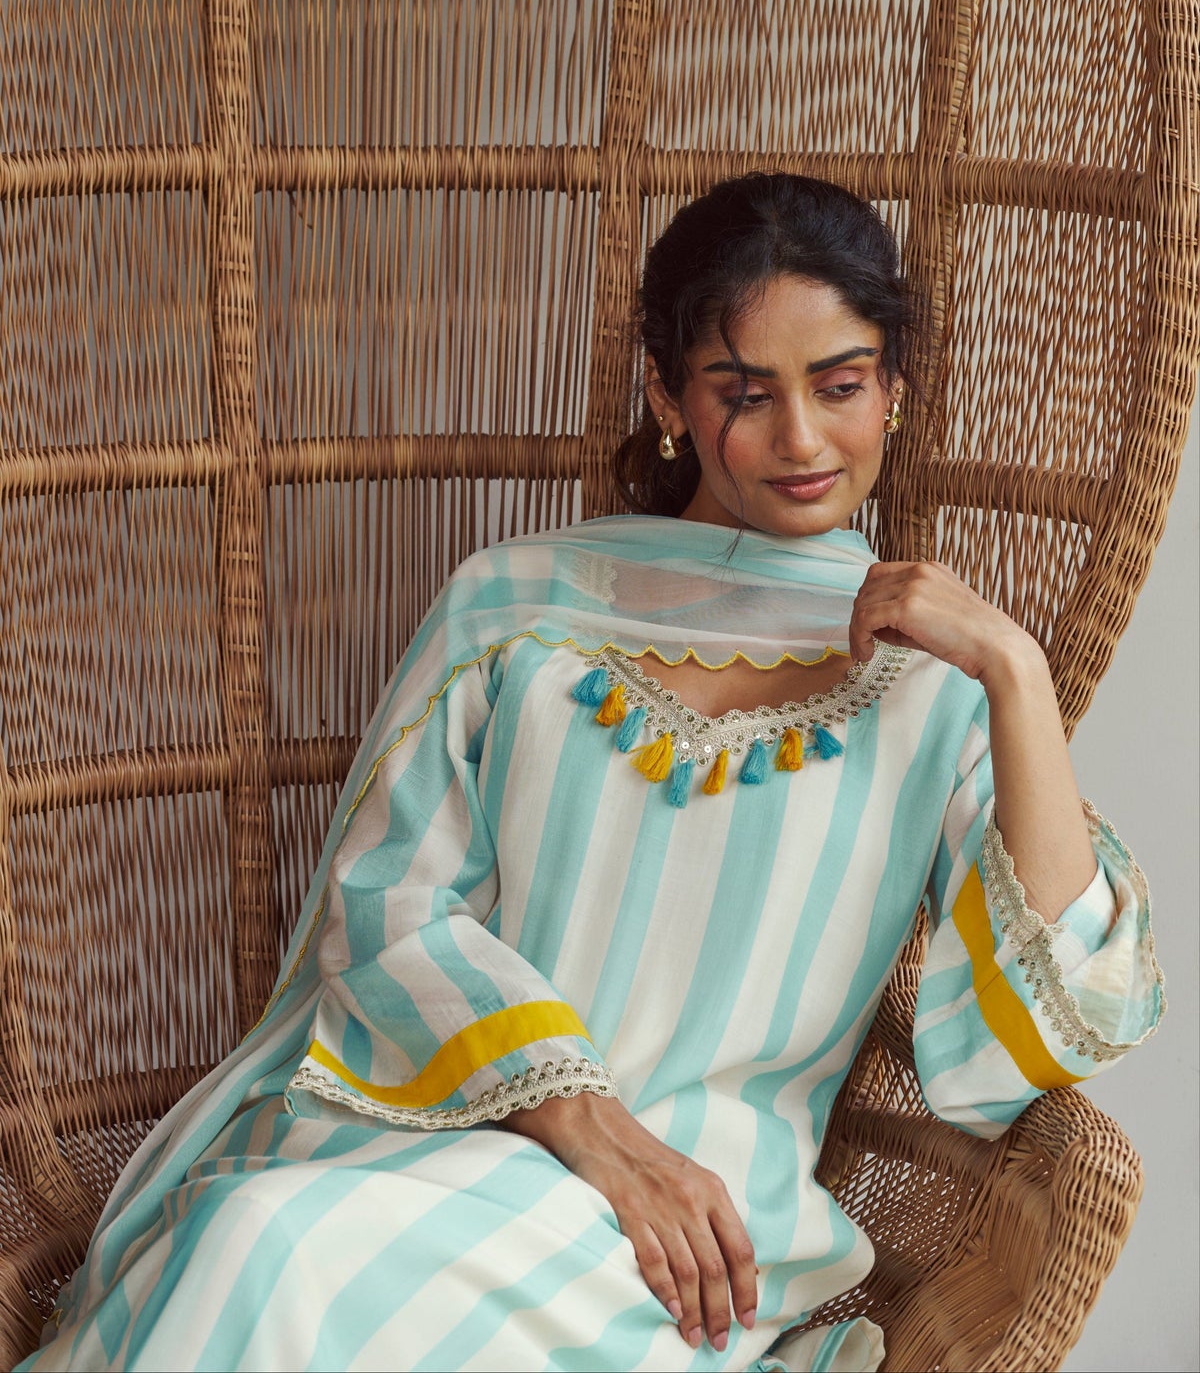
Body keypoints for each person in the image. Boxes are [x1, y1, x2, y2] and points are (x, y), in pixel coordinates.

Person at [23, 174, 1163, 1373]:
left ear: (893, 387)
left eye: (840, 385)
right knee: (261, 1235)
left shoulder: (939, 682)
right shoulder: (520, 605)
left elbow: (1061, 1017)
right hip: (451, 1127)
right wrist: (584, 1120)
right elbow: (388, 907)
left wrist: (1017, 671)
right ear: (670, 397)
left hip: (697, 1235)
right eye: (744, 392)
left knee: (290, 1260)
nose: (802, 440)